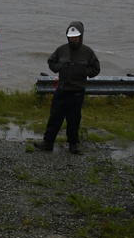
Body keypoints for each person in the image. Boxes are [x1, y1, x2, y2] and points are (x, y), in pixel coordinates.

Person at [32, 21, 100, 155]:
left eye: (75, 37)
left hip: (77, 92)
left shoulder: (88, 52)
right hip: (62, 90)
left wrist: (83, 72)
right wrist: (59, 68)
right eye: (71, 37)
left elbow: (96, 69)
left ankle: (73, 145)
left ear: (81, 36)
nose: (73, 39)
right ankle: (48, 143)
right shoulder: (61, 50)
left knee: (74, 120)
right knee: (55, 118)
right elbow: (51, 62)